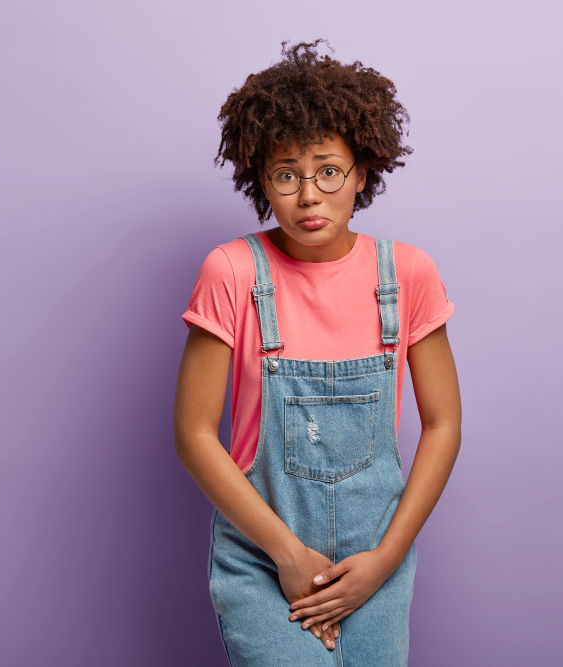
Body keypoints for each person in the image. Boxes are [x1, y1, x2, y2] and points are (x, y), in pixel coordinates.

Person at [173, 39, 462, 666]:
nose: (309, 195)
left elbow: (442, 424)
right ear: (261, 181)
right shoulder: (232, 272)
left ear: (361, 171)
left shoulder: (407, 273)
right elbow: (194, 434)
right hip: (261, 552)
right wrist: (287, 554)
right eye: (286, 174)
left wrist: (385, 559)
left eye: (328, 170)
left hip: (376, 558)